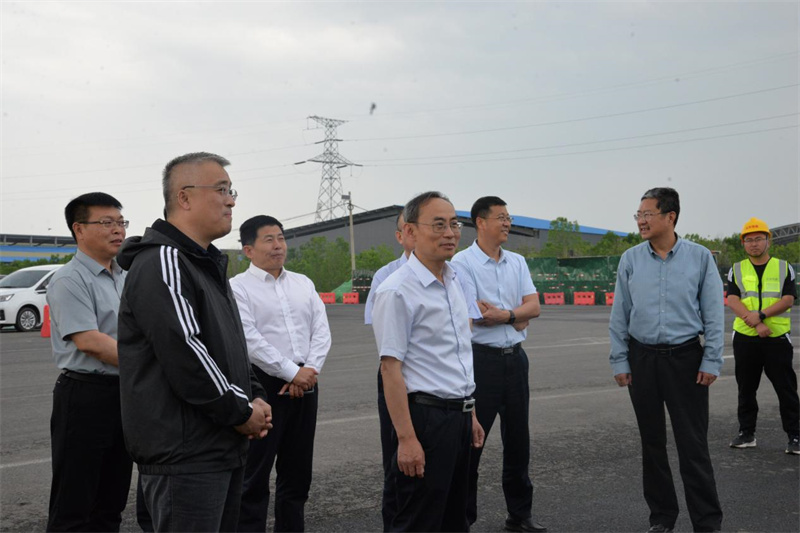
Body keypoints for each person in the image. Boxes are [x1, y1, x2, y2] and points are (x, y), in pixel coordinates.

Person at [117, 152, 272, 532]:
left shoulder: (203, 263)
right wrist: (240, 411)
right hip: (187, 454)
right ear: (184, 197)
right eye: (221, 190)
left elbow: (231, 345)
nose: (231, 201)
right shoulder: (164, 261)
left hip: (218, 446)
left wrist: (255, 395)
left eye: (231, 191)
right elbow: (186, 353)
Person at [609, 187, 724, 533]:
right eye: (639, 215)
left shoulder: (699, 257)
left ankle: (707, 522)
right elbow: (620, 314)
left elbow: (714, 314)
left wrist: (711, 360)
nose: (641, 221)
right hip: (642, 359)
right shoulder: (630, 259)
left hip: (686, 360)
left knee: (693, 445)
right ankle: (661, 517)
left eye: (648, 214)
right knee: (652, 443)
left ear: (670, 216)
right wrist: (620, 361)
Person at [372, 191, 485, 532]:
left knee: (455, 517)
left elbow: (457, 355)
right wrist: (407, 439)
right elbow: (390, 369)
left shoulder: (454, 281)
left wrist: (471, 413)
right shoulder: (397, 290)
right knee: (418, 519)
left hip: (459, 417)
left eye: (454, 224)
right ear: (409, 232)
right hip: (425, 419)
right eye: (438, 225)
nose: (450, 233)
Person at [231, 215, 332, 532]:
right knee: (254, 475)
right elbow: (249, 340)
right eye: (269, 239)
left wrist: (309, 370)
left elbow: (321, 330)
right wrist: (291, 372)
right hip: (263, 387)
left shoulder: (303, 283)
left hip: (306, 383)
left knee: (297, 474)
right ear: (248, 249)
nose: (278, 245)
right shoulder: (237, 288)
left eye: (281, 238)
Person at [451, 196, 545, 533]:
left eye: (509, 218)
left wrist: (505, 315)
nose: (507, 223)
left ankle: (519, 515)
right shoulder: (462, 263)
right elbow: (476, 315)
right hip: (481, 363)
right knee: (472, 444)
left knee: (519, 443)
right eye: (501, 217)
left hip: (516, 361)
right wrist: (516, 316)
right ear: (480, 222)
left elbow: (533, 307)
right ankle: (462, 519)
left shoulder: (517, 261)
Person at [46, 192, 133, 532]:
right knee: (74, 503)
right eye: (107, 222)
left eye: (121, 222)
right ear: (79, 229)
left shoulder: (125, 277)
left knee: (111, 502)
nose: (118, 230)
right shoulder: (69, 280)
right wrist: (149, 365)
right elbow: (90, 342)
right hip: (85, 396)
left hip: (124, 392)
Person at [725, 217, 798, 454]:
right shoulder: (736, 269)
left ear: (768, 241)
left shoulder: (784, 267)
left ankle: (795, 436)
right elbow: (732, 299)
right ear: (743, 244)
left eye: (758, 239)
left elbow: (788, 299)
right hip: (746, 337)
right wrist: (756, 323)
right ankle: (747, 434)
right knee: (746, 389)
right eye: (749, 240)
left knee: (786, 389)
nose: (754, 244)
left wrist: (762, 316)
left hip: (776, 337)